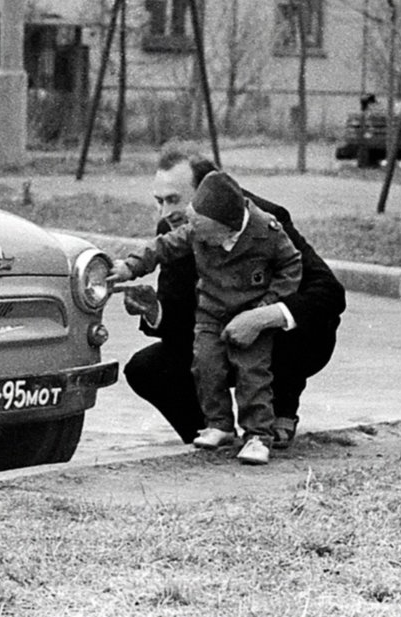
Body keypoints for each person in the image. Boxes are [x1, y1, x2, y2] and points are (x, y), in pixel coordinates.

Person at [120, 146, 346, 452]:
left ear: (208, 192)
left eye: (174, 200)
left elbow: (328, 292)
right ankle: (214, 432)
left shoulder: (265, 221)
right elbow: (182, 322)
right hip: (217, 330)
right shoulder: (174, 230)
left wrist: (261, 317)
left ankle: (282, 410)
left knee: (303, 321)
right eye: (159, 201)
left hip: (271, 338)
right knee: (146, 368)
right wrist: (155, 311)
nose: (165, 213)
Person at [109, 171, 301, 465]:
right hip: (210, 312)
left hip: (250, 315)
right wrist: (130, 267)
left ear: (227, 230)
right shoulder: (197, 228)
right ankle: (220, 425)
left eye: (203, 232)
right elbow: (164, 246)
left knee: (253, 375)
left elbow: (291, 266)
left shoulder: (267, 231)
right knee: (206, 366)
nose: (196, 235)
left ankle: (258, 436)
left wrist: (267, 307)